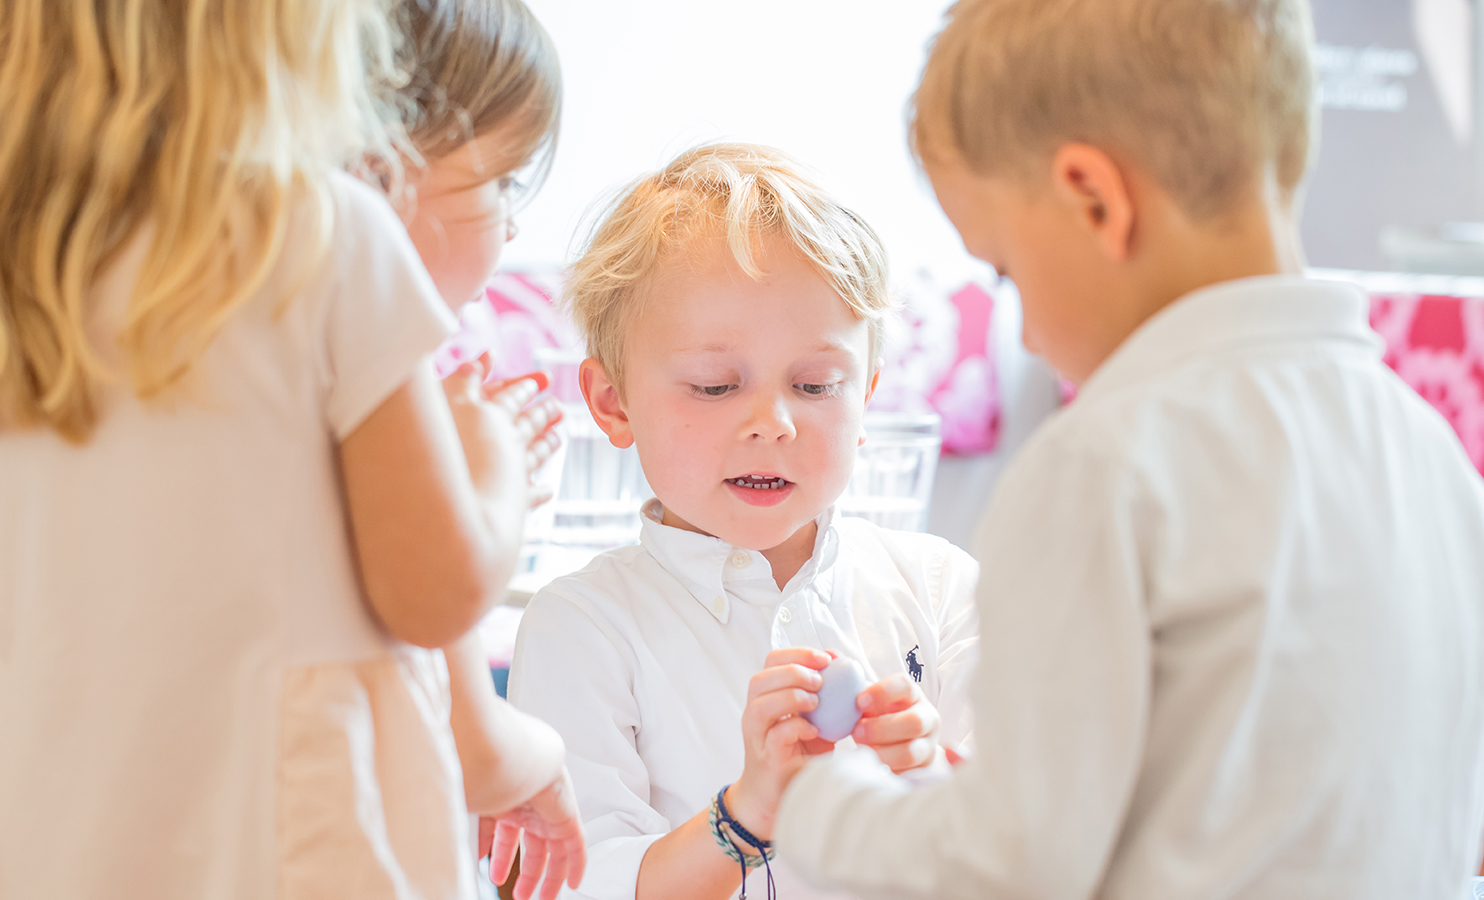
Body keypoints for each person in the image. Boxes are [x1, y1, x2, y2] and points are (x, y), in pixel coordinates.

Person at [772, 1, 1484, 898]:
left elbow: (1007, 865)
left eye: (1007, 272)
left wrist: (816, 799)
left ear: (1094, 200)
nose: (1025, 333)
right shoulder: (1429, 451)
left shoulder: (1101, 466)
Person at [0, 1, 570, 897]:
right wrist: (489, 454)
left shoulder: (21, 271)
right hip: (291, 851)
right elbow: (437, 595)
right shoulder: (320, 237)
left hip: (47, 842)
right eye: (502, 185)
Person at [505, 142, 981, 900]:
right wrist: (745, 815)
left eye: (817, 384)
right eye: (714, 386)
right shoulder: (582, 628)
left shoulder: (940, 585)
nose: (773, 423)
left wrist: (928, 769)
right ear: (613, 403)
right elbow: (575, 883)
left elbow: (1028, 842)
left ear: (867, 397)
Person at [393, 2, 587, 896]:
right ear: (390, 167)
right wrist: (492, 482)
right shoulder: (379, 376)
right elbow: (479, 748)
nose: (513, 228)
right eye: (502, 180)